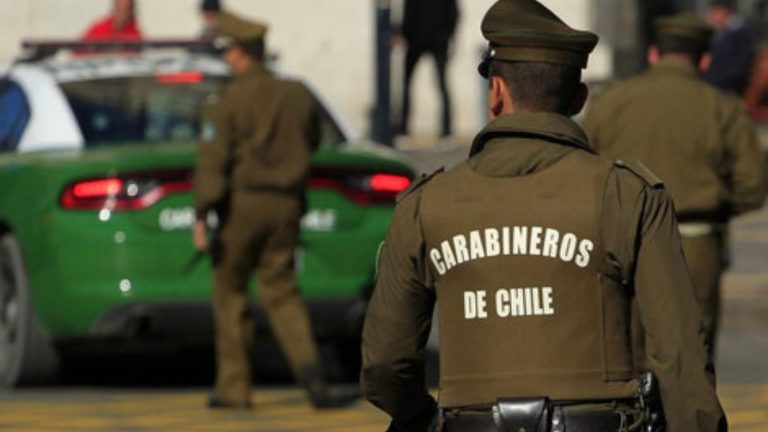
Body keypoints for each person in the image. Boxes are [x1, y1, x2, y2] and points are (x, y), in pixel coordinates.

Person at [361, 1, 727, 431]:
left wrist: (421, 415)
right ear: (578, 98)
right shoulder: (627, 195)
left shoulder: (426, 204)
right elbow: (680, 358)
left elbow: (384, 363)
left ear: (496, 92)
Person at [584, 12, 767, 364]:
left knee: (626, 358)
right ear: (705, 59)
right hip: (694, 244)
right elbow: (753, 185)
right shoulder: (721, 107)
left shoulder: (610, 102)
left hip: (623, 243)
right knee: (691, 360)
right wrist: (716, 206)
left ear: (653, 54)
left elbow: (584, 167)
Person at [192, 11, 339, 409]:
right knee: (282, 290)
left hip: (243, 205)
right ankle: (310, 370)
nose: (226, 58)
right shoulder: (296, 93)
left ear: (240, 53)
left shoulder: (226, 101)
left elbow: (213, 163)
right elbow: (316, 138)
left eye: (228, 51)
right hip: (287, 204)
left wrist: (202, 212)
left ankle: (234, 389)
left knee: (230, 292)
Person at [396, 0, 459, 138]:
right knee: (441, 84)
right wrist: (449, 35)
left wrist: (404, 33)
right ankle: (446, 129)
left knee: (408, 83)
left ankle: (404, 128)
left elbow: (409, 11)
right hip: (437, 39)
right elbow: (454, 13)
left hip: (418, 38)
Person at [705, 0, 756, 96]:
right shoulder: (720, 32)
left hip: (729, 89)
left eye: (714, 12)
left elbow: (739, 67)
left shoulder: (740, 33)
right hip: (715, 85)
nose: (711, 17)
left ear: (725, 11)